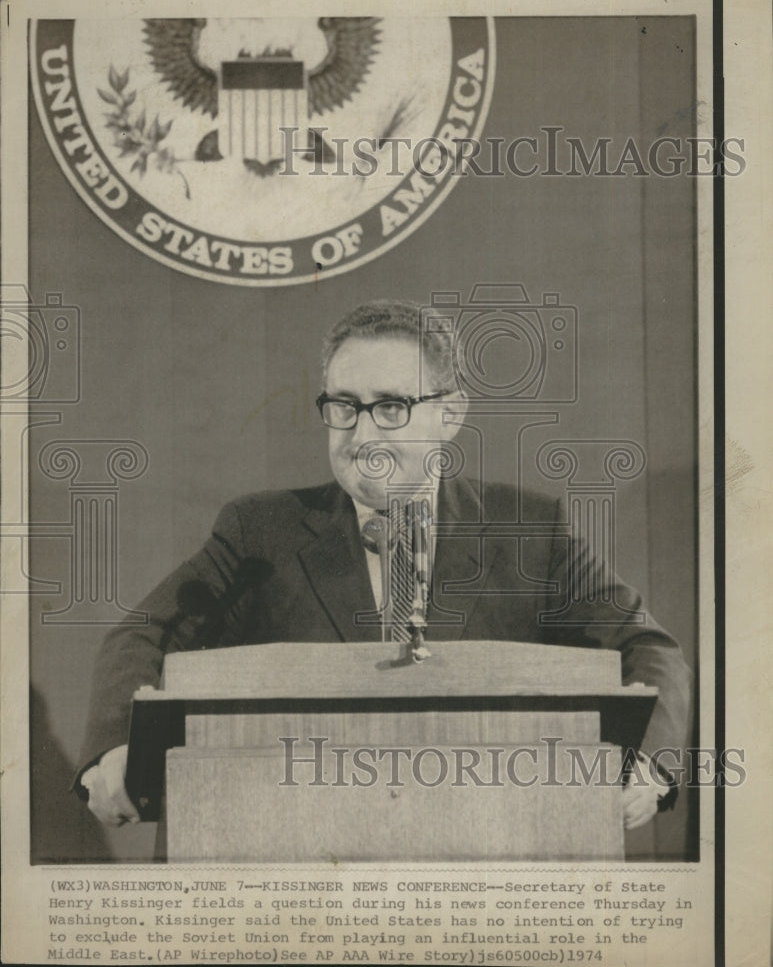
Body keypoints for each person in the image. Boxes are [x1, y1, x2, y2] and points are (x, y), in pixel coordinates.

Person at [77, 300, 691, 836]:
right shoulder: (258, 531)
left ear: (449, 415)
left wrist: (651, 763)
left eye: (391, 406)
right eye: (344, 406)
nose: (362, 432)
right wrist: (115, 750)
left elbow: (647, 647)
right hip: (295, 851)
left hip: (484, 850)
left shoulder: (531, 529)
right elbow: (145, 634)